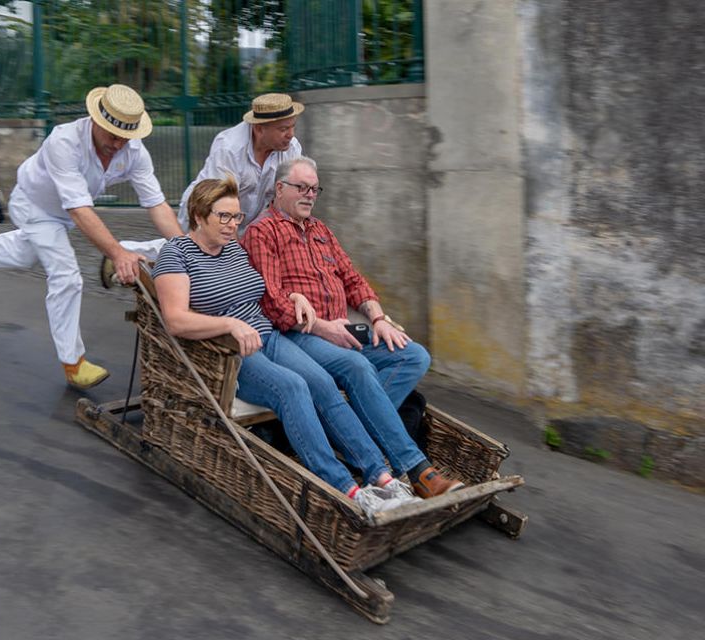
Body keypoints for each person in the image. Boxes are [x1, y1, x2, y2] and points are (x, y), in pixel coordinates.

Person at [152, 176, 436, 518]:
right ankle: (346, 487)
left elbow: (263, 291)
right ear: (198, 216)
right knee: (293, 387)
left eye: (236, 217)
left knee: (323, 384)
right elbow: (176, 320)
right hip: (229, 351)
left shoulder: (235, 251)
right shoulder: (177, 254)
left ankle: (383, 477)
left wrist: (294, 296)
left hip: (268, 336)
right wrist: (229, 324)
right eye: (223, 217)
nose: (232, 225)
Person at [242, 157, 463, 499]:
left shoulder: (320, 230)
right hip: (302, 335)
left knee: (413, 355)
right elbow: (273, 301)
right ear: (280, 188)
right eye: (302, 187)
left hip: (345, 331)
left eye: (315, 189)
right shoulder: (263, 231)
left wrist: (376, 318)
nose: (310, 195)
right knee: (356, 366)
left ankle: (346, 431)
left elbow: (353, 279)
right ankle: (417, 469)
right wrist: (322, 327)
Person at [0, 83, 183, 389]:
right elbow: (80, 211)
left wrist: (185, 247)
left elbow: (157, 204)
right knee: (66, 274)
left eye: (126, 137)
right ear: (96, 120)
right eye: (113, 134)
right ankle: (73, 362)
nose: (118, 144)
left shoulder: (134, 151)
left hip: (61, 215)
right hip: (33, 204)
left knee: (26, 253)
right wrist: (118, 253)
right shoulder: (64, 140)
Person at [101, 92, 303, 286]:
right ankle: (126, 256)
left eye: (292, 127)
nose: (291, 134)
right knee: (200, 258)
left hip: (242, 217)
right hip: (207, 208)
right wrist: (236, 261)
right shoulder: (230, 147)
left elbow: (285, 199)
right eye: (283, 129)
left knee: (218, 258)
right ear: (259, 129)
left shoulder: (291, 148)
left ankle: (131, 253)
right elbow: (221, 203)